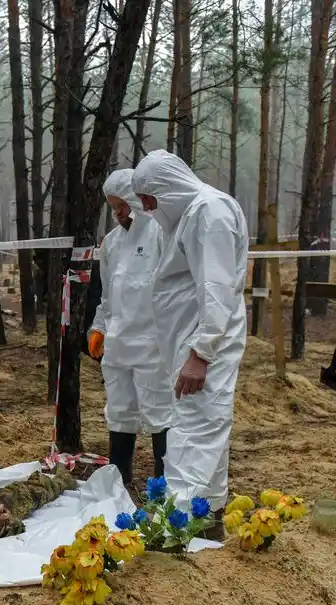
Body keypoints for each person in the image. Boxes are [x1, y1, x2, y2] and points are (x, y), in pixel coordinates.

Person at [131, 149, 249, 516]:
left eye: (151, 200)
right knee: (204, 429)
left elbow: (216, 288)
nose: (149, 209)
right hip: (193, 343)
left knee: (193, 433)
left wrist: (201, 354)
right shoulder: (188, 217)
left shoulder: (208, 213)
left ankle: (173, 527)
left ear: (168, 188)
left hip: (204, 346)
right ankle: (207, 516)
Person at [87, 168, 172, 487]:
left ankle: (165, 488)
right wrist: (99, 328)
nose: (117, 212)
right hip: (119, 349)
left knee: (160, 415)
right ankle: (119, 483)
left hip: (153, 348)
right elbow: (108, 295)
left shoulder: (161, 235)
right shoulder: (111, 244)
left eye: (121, 205)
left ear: (136, 200)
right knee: (120, 412)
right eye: (112, 207)